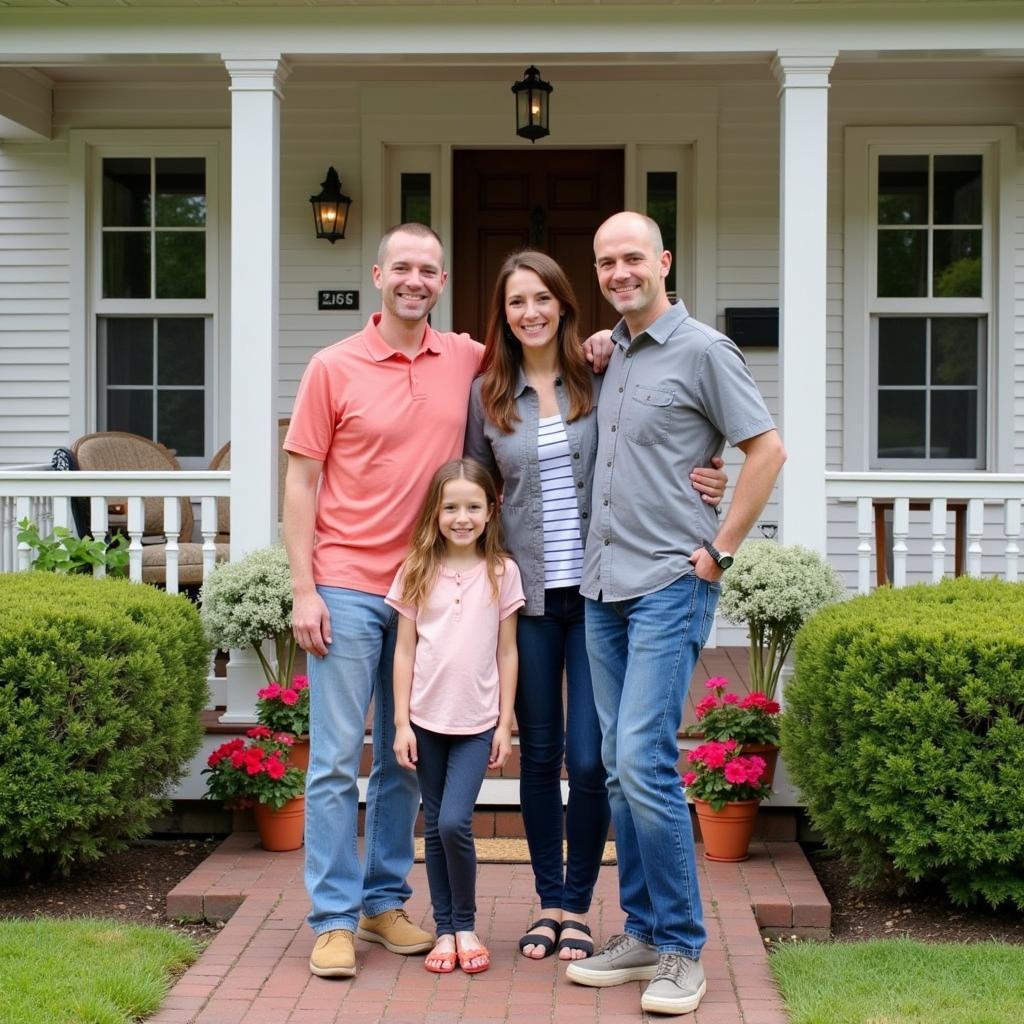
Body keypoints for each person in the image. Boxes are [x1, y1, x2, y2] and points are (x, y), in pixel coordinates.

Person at [283, 223, 611, 980]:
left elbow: (546, 354)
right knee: (336, 759)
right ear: (377, 274)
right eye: (402, 267)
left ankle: (384, 901)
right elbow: (300, 479)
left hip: (434, 588)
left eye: (428, 270)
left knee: (406, 757)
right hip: (347, 581)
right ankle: (333, 918)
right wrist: (303, 587)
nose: (415, 280)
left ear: (440, 283)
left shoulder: (465, 359)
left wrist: (600, 344)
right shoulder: (331, 368)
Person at [464, 250, 728, 963]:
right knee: (539, 753)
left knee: (592, 759)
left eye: (542, 299)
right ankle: (549, 901)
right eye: (517, 302)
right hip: (528, 598)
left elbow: (657, 439)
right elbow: (472, 488)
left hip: (601, 592)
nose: (531, 313)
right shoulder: (487, 391)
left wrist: (708, 473)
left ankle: (580, 905)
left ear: (563, 304)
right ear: (505, 314)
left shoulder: (603, 370)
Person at [565, 212, 786, 1017]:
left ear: (663, 261)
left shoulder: (705, 350)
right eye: (605, 262)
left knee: (644, 758)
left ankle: (684, 951)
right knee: (620, 771)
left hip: (668, 583)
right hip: (602, 587)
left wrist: (719, 551)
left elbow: (766, 450)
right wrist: (598, 340)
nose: (619, 271)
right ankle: (644, 931)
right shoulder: (612, 352)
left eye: (632, 258)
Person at [388, 458, 524, 975]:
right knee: (436, 827)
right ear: (435, 512)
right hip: (425, 721)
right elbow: (404, 651)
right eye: (450, 507)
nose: (461, 517)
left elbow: (507, 651)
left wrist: (505, 721)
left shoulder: (502, 572)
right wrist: (400, 722)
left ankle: (464, 922)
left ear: (491, 510)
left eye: (472, 506)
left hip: (476, 722)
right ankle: (445, 930)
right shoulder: (416, 570)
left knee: (451, 823)